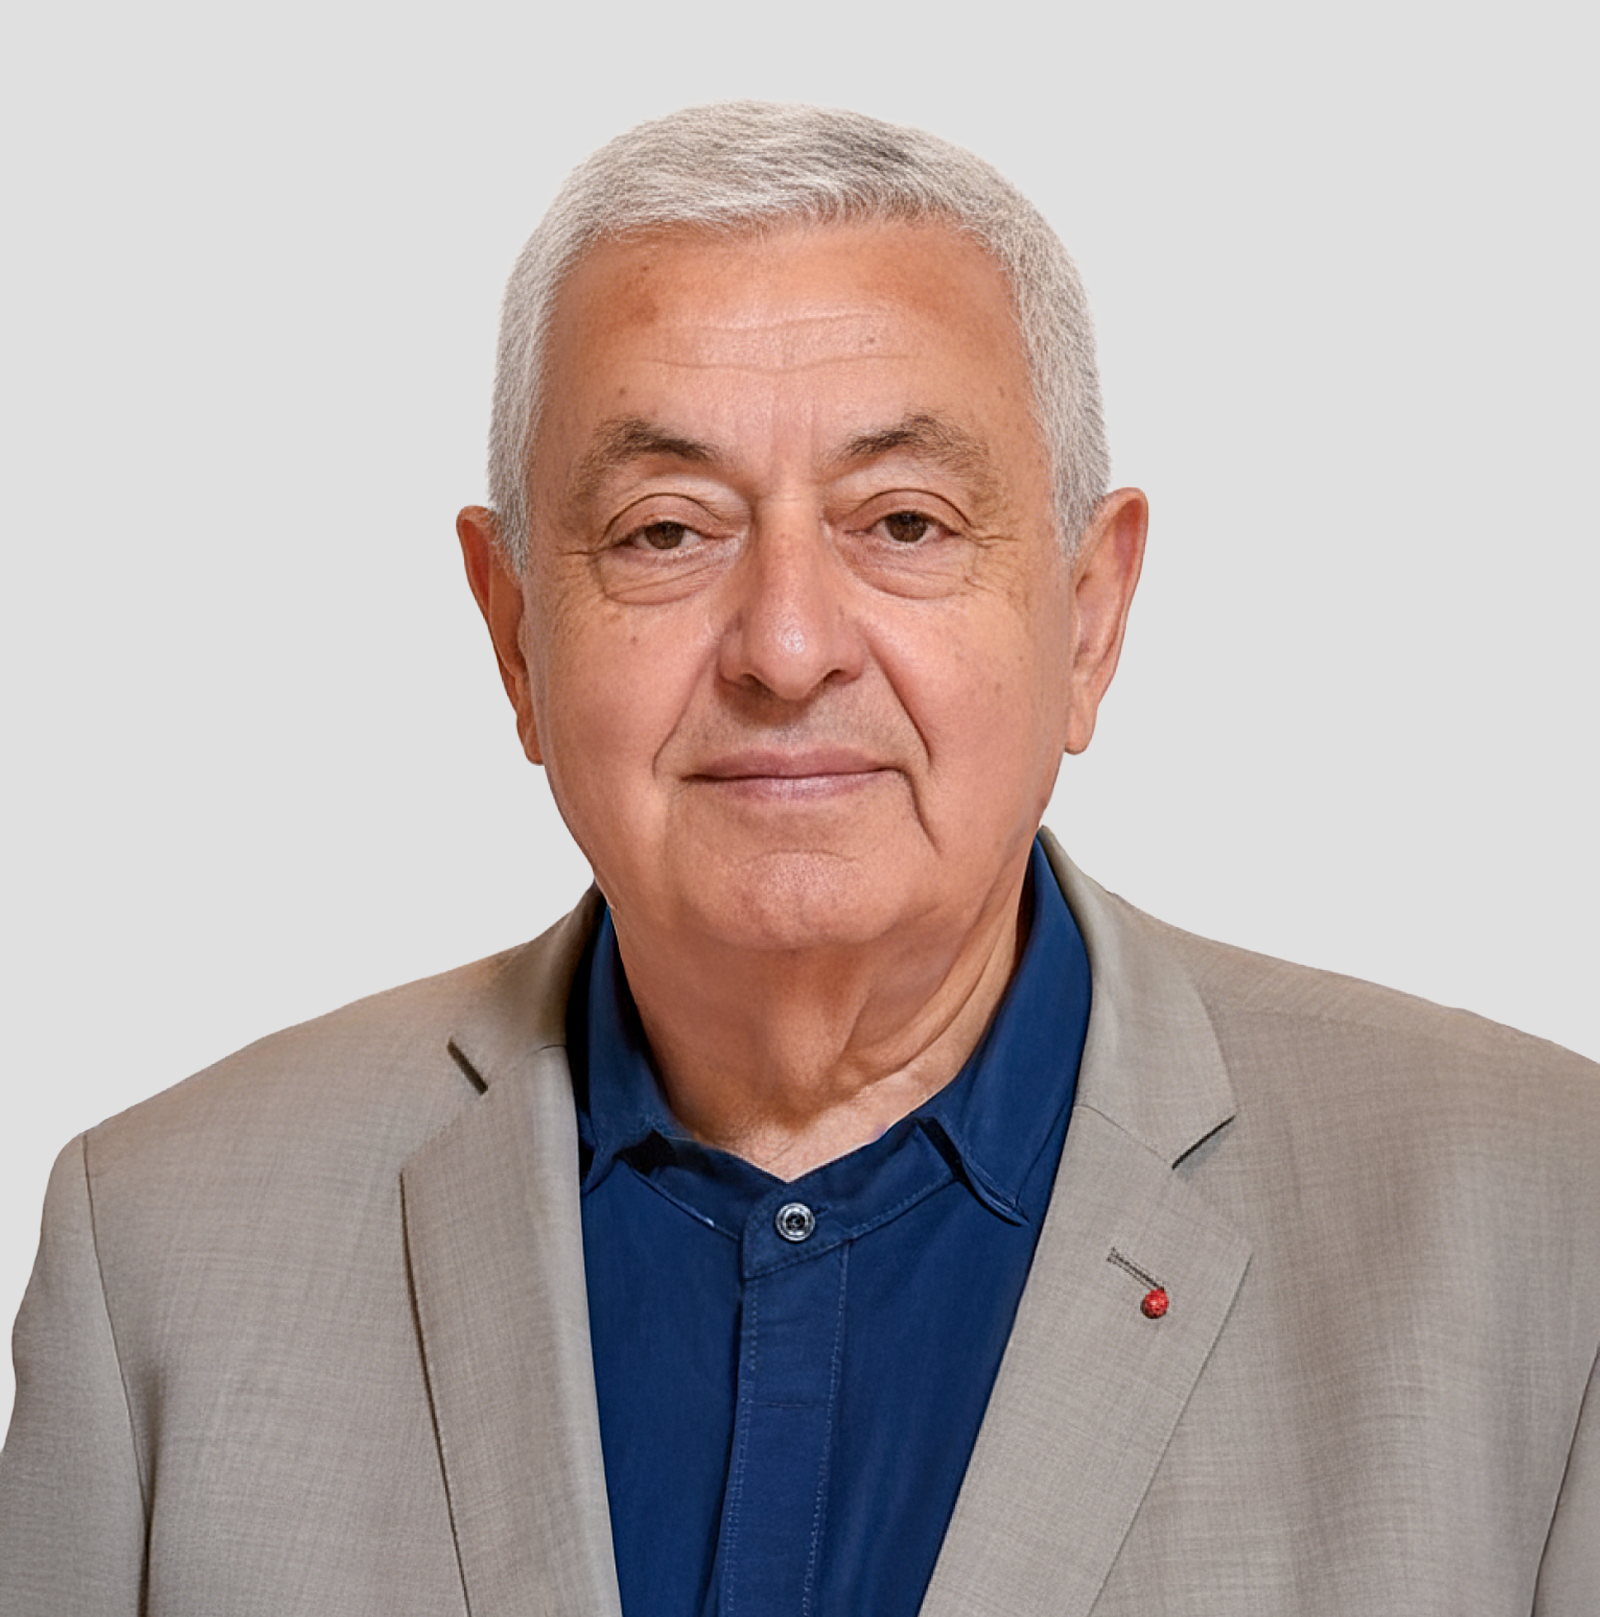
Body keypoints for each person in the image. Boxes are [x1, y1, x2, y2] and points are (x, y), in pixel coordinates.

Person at [1, 100, 1595, 1616]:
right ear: (513, 634)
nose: (783, 645)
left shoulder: (1544, 1225)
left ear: (1090, 615)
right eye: (665, 530)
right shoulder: (157, 1262)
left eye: (903, 522)